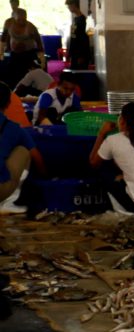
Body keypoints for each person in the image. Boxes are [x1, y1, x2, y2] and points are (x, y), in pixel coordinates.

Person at [0, 82, 44, 213]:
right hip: (1, 188)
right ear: (8, 104)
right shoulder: (14, 127)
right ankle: (24, 194)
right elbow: (37, 158)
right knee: (23, 150)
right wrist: (47, 178)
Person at [2, 9, 44, 88]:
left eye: (24, 19)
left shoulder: (30, 27)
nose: (22, 21)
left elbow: (39, 43)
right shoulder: (8, 23)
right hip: (15, 54)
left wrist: (42, 58)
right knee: (10, 74)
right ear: (14, 18)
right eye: (19, 19)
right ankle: (12, 92)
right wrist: (1, 52)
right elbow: (3, 38)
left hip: (28, 54)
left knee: (27, 76)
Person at [65, 0, 91, 70]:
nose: (68, 8)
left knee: (79, 76)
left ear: (74, 5)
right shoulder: (75, 19)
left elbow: (84, 40)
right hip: (75, 54)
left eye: (69, 6)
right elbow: (73, 38)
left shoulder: (82, 20)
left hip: (80, 55)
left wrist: (81, 56)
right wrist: (69, 53)